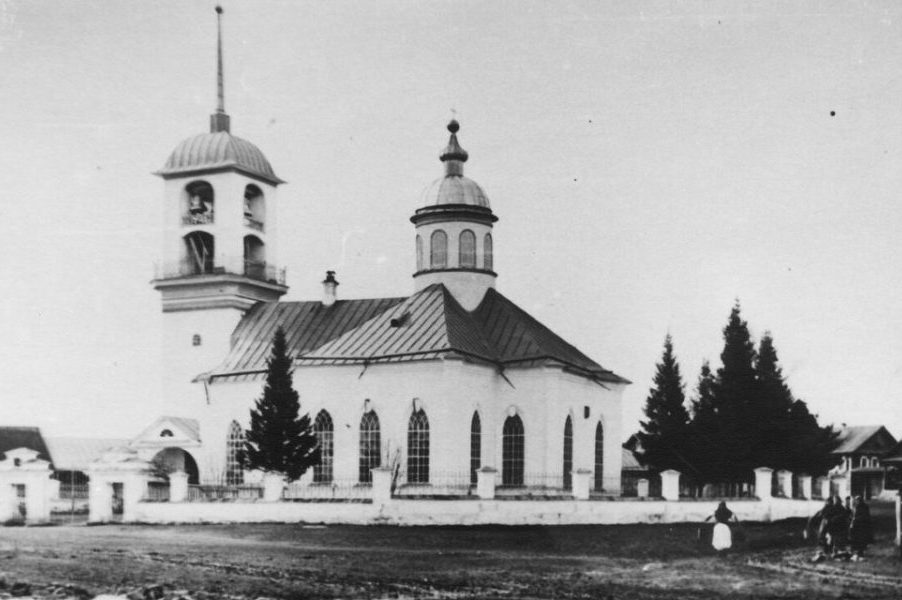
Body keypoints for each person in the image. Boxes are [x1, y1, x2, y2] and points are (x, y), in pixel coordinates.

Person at [807, 497, 840, 562]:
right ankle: (829, 551)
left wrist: (813, 518)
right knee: (828, 538)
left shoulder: (828, 508)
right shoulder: (831, 508)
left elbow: (820, 513)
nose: (827, 503)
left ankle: (827, 551)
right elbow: (820, 513)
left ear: (829, 502)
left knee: (825, 538)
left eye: (828, 501)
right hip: (829, 525)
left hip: (827, 524)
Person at [849, 495, 873, 561]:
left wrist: (855, 520)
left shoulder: (863, 507)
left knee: (860, 539)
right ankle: (857, 551)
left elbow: (864, 516)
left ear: (860, 500)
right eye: (856, 500)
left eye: (858, 500)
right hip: (858, 525)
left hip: (861, 525)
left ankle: (859, 552)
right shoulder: (857, 506)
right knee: (856, 538)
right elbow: (853, 515)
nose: (856, 501)